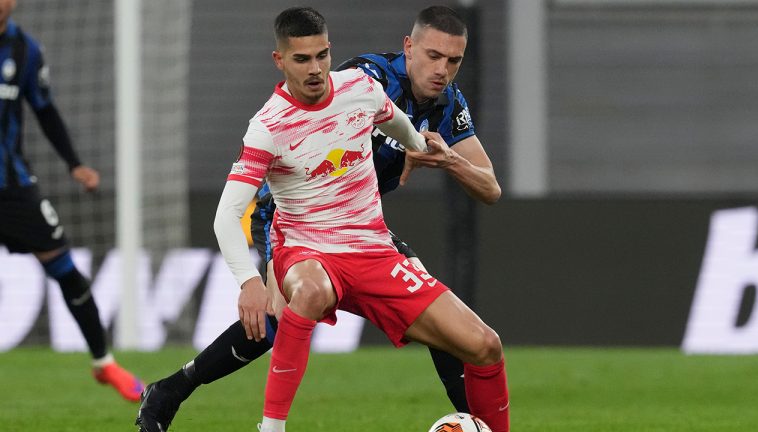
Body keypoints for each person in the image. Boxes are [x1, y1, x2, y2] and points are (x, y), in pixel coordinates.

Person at [136, 5, 502, 431]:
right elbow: (309, 129)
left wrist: (444, 158)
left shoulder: (448, 103)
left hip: (359, 230)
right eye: (433, 56)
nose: (442, 69)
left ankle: (479, 424)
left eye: (453, 61)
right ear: (409, 47)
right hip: (288, 218)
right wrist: (267, 265)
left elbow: (489, 187)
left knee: (442, 326)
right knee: (274, 317)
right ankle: (176, 391)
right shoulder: (366, 78)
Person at [0, 0, 144, 402]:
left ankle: (104, 362)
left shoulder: (26, 51)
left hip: (12, 188)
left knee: (65, 270)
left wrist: (75, 163)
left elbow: (45, 111)